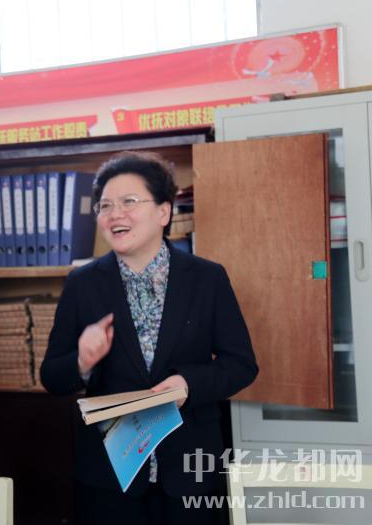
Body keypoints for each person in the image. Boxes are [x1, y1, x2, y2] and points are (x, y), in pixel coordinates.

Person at [40, 151, 258, 525]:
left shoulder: (207, 278)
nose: (115, 214)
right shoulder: (82, 284)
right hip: (110, 477)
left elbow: (241, 365)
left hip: (190, 471)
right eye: (105, 206)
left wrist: (188, 384)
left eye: (129, 201)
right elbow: (51, 376)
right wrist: (82, 362)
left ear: (163, 212)